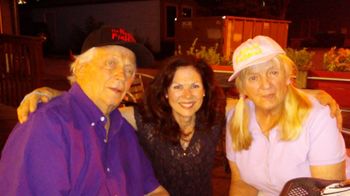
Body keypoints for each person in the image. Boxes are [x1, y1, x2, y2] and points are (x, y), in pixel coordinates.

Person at [16, 47, 342, 195]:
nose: (187, 95)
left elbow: (262, 94)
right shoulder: (140, 118)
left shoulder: (217, 115)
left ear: (205, 92)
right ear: (166, 92)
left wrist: (311, 93)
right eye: (178, 86)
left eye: (195, 86)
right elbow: (101, 104)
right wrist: (52, 93)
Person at [0, 26, 168, 195]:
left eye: (129, 70)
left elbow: (155, 191)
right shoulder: (47, 125)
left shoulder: (123, 130)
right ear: (80, 68)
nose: (122, 75)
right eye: (111, 63)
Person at [225, 35, 348, 196]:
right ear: (242, 87)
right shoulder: (236, 119)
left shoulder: (318, 117)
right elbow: (242, 185)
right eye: (253, 77)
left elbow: (327, 193)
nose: (265, 85)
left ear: (287, 76)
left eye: (273, 72)